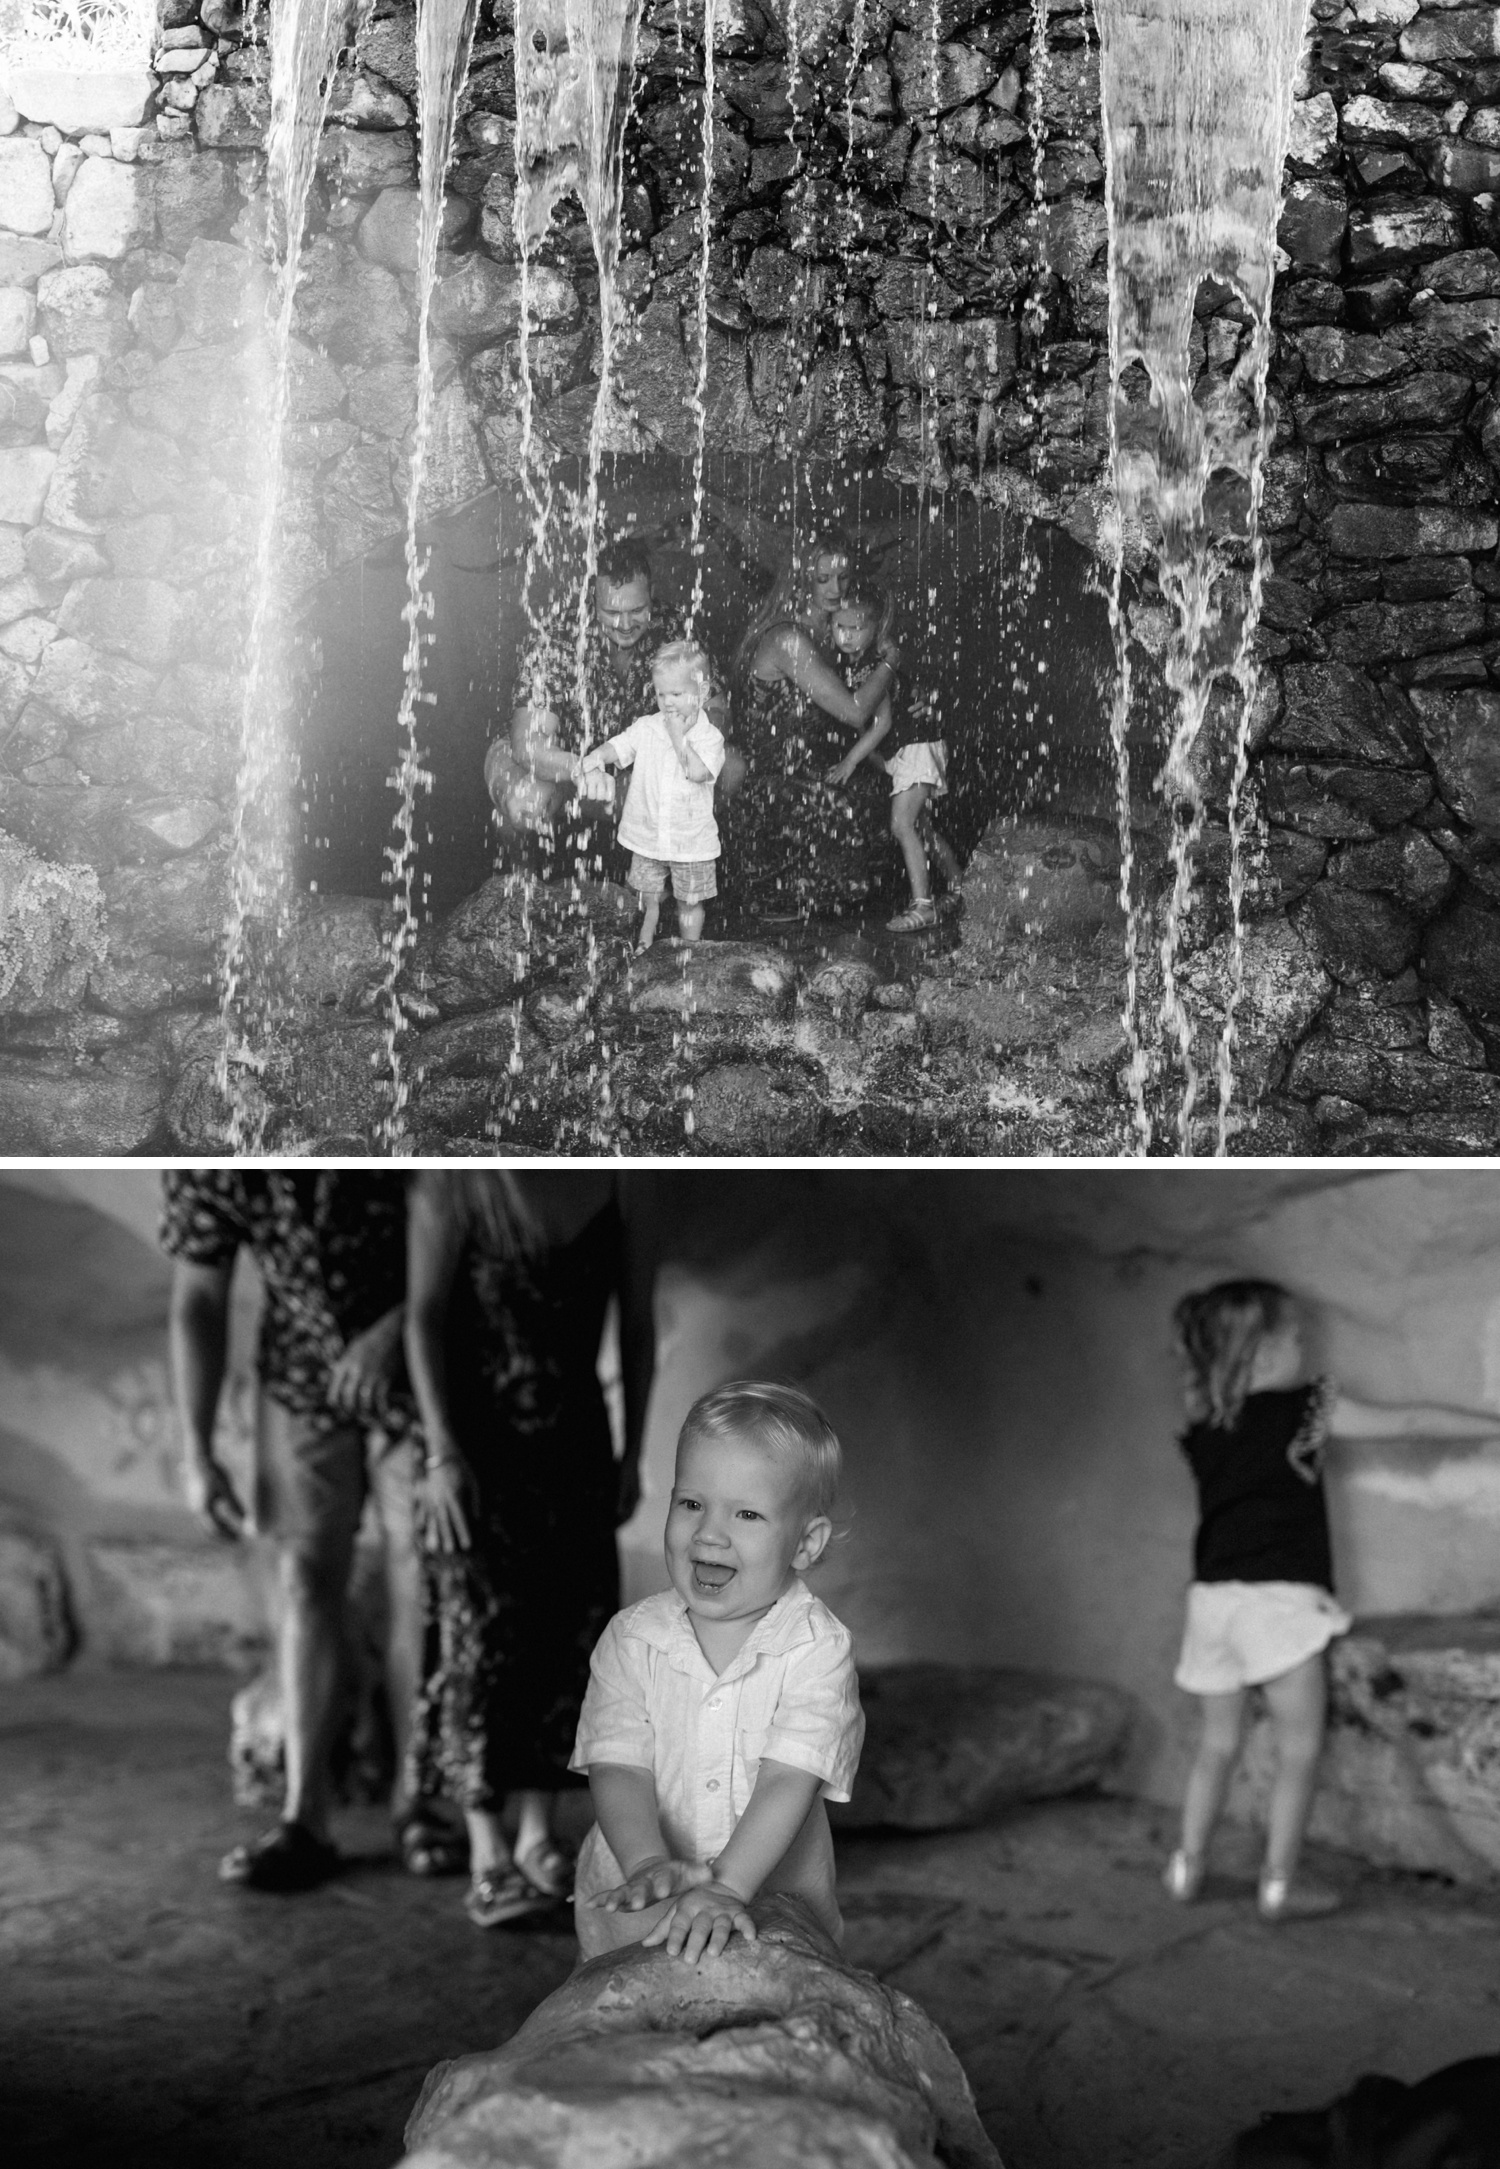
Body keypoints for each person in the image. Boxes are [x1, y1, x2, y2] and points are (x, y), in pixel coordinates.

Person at [1165, 1279, 1500, 1922]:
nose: (1306, 1347)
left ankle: (1186, 1864)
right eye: (1295, 1336)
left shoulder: (1205, 1424)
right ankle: (1279, 1884)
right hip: (1279, 1605)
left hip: (1210, 1604)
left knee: (1216, 1746)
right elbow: (1407, 1421)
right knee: (1300, 1749)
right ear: (1262, 1353)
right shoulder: (1307, 1408)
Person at [162, 1173, 437, 1892]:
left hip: (427, 1361)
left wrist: (398, 1329)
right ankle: (304, 1817)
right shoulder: (211, 1143)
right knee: (302, 1578)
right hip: (298, 1375)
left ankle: (417, 1806)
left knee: (421, 1579)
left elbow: (475, 1227)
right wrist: (196, 1452)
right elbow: (197, 1295)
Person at [403, 1171, 656, 1930]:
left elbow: (637, 1325)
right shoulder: (454, 1183)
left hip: (576, 1441)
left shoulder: (620, 1184)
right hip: (478, 1452)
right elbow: (422, 1320)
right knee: (476, 1639)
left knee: (565, 1633)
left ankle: (538, 1832)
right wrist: (441, 1455)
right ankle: (486, 1850)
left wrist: (632, 1454)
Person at [571, 1380, 864, 1967]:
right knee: (625, 2028)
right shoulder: (632, 1640)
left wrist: (726, 1888)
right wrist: (647, 1864)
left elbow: (789, 1778)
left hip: (772, 1899)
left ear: (805, 1544)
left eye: (748, 1513)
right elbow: (617, 1764)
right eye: (691, 1503)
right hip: (639, 1901)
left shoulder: (816, 1647)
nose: (709, 1532)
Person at [486, 536, 736, 877]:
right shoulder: (559, 637)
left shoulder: (675, 630)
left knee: (731, 767)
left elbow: (718, 712)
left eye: (636, 611)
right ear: (593, 599)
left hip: (635, 768)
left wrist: (677, 757)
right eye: (612, 612)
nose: (624, 624)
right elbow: (529, 745)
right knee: (525, 802)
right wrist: (583, 768)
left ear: (651, 596)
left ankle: (665, 886)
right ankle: (516, 891)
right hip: (561, 767)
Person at [729, 528, 901, 918]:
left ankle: (835, 903)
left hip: (810, 770)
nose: (835, 588)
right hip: (770, 783)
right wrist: (893, 662)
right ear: (803, 579)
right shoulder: (789, 638)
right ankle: (780, 896)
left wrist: (911, 699)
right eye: (823, 579)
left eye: (842, 577)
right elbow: (856, 711)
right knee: (844, 808)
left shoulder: (839, 630)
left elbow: (873, 691)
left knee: (885, 793)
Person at [828, 585, 963, 933]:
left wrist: (850, 762)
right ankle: (962, 887)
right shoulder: (857, 665)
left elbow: (882, 722)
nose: (845, 635)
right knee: (923, 828)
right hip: (917, 749)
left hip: (915, 749)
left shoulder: (876, 666)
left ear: (875, 631)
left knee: (901, 825)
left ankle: (923, 906)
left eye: (855, 629)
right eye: (838, 626)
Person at [579, 639, 725, 951]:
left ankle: (691, 950)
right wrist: (595, 757)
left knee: (690, 900)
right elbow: (620, 745)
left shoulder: (709, 737)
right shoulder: (647, 727)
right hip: (648, 835)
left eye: (677, 694)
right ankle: (643, 945)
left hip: (691, 841)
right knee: (646, 898)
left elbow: (698, 772)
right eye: (661, 694)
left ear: (702, 692)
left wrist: (676, 736)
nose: (668, 702)